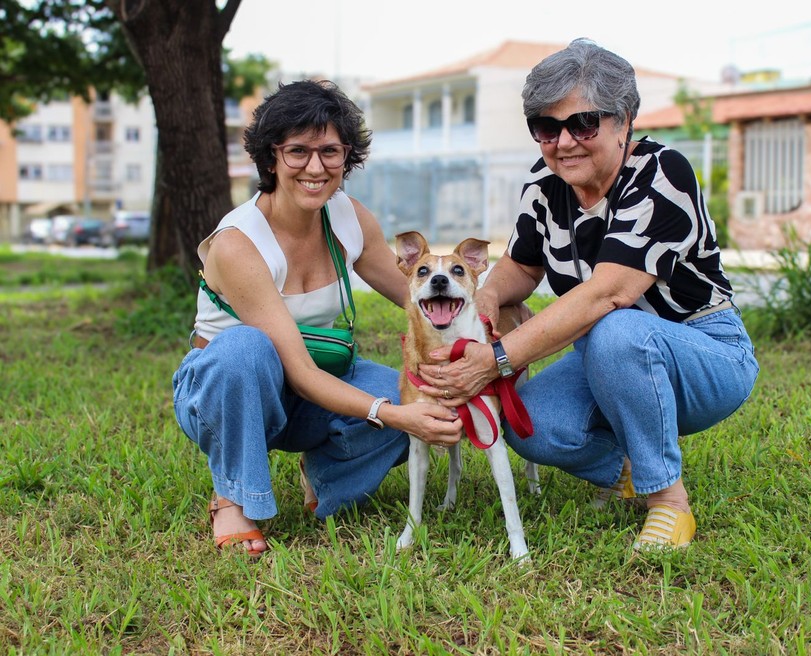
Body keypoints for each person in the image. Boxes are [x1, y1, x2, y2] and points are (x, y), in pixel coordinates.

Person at [416, 39, 760, 550]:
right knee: (530, 426)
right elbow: (522, 264)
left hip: (703, 349)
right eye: (546, 128)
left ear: (624, 121)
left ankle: (668, 502)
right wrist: (484, 300)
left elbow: (607, 295)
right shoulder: (544, 185)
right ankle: (631, 470)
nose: (564, 142)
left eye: (583, 124)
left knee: (615, 331)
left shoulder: (662, 174)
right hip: (602, 351)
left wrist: (498, 358)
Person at [172, 80, 463, 557]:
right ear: (271, 157)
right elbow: (299, 372)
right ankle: (233, 497)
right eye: (298, 151)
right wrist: (391, 414)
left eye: (330, 151)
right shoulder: (238, 242)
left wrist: (484, 315)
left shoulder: (349, 218)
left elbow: (416, 298)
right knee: (247, 349)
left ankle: (325, 473)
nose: (315, 166)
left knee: (410, 395)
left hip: (313, 384)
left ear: (347, 156)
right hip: (228, 392)